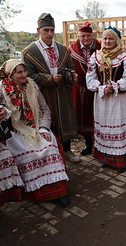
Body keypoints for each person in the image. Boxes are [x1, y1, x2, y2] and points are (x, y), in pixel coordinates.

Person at [0, 59, 70, 207]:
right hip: (16, 131)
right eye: (19, 72)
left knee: (49, 148)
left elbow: (45, 110)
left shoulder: (33, 86)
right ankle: (36, 192)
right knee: (30, 152)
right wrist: (3, 113)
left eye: (24, 71)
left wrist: (44, 129)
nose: (24, 75)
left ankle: (59, 191)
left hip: (37, 127)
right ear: (10, 74)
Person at [21, 13, 80, 163]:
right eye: (46, 30)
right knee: (48, 121)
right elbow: (28, 76)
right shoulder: (29, 52)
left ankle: (67, 151)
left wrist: (72, 75)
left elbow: (71, 67)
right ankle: (51, 154)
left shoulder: (62, 49)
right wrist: (49, 78)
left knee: (66, 121)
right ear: (38, 30)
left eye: (52, 30)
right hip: (43, 94)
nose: (50, 34)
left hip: (62, 93)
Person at [86, 27, 126, 173]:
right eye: (105, 38)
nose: (107, 41)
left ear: (117, 41)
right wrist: (101, 87)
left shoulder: (124, 58)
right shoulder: (95, 56)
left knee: (117, 126)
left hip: (117, 100)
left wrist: (115, 86)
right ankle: (104, 157)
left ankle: (119, 161)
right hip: (102, 100)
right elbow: (90, 79)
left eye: (111, 38)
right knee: (103, 126)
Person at [68, 21, 101, 156]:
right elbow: (66, 66)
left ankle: (99, 145)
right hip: (79, 89)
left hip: (97, 89)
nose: (86, 39)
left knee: (98, 117)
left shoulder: (101, 47)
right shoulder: (71, 50)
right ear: (78, 36)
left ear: (92, 35)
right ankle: (88, 144)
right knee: (82, 117)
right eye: (83, 36)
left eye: (88, 36)